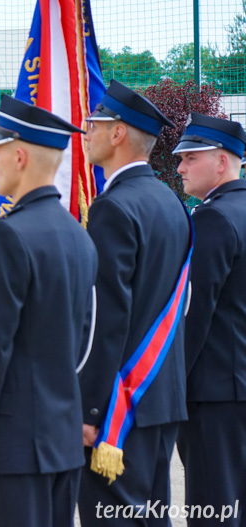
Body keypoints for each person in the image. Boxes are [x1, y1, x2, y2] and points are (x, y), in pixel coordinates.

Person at [0, 95, 96, 527]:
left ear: (19, 155)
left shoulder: (8, 237)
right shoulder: (80, 237)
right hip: (63, 443)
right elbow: (84, 346)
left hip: (15, 448)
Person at [78, 80, 191, 525]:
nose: (86, 131)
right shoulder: (172, 203)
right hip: (163, 396)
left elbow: (105, 320)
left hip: (118, 409)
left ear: (118, 133)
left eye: (94, 124)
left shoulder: (113, 208)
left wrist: (90, 411)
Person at [173, 114, 246, 524]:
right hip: (237, 384)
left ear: (221, 162)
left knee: (214, 509)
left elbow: (192, 315)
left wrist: (165, 388)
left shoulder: (213, 218)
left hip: (215, 395)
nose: (180, 166)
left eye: (190, 158)